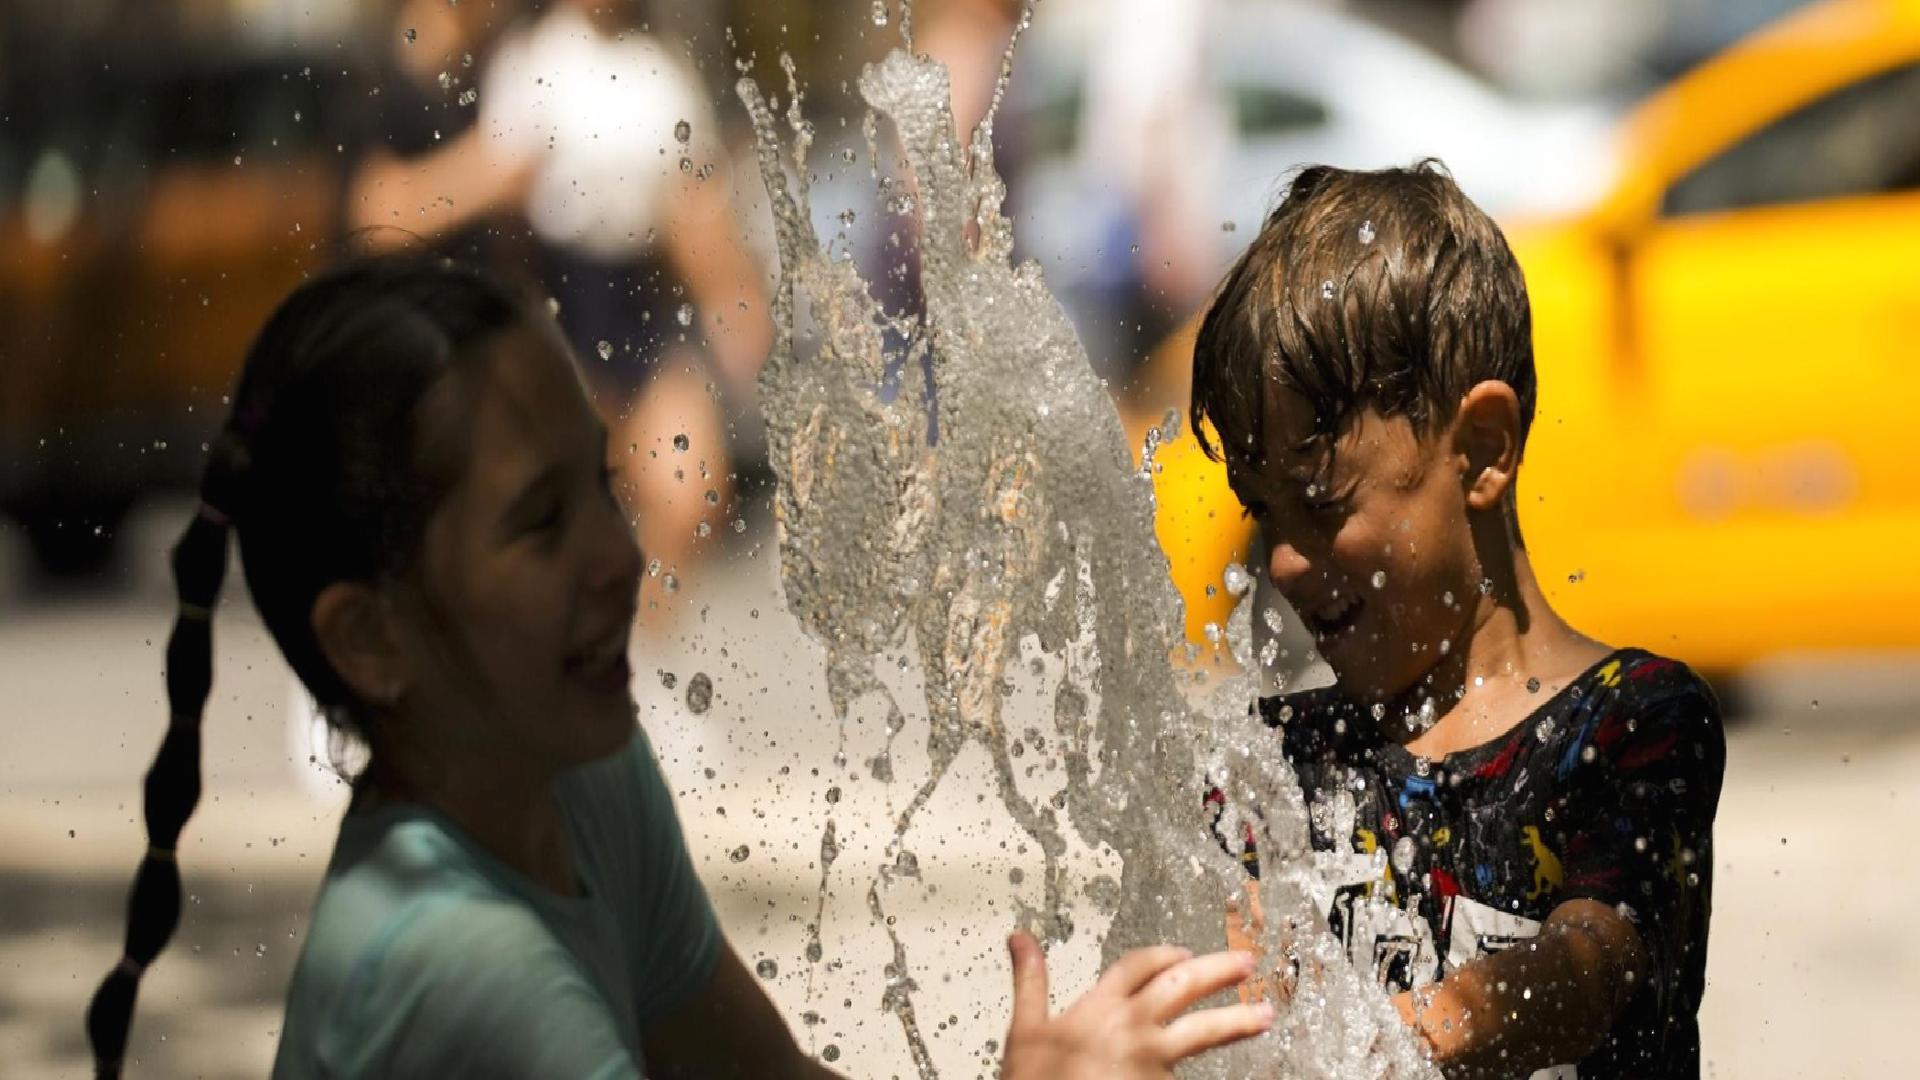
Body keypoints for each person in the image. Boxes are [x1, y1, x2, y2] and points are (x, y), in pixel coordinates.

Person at [83, 256, 1275, 1078]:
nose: (618, 552)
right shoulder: (463, 967)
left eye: (602, 488)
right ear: (371, 641)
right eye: (541, 522)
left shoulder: (578, 783)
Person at [1190, 162, 1725, 1077]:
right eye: (1264, 512)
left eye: (1319, 502)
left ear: (1481, 451)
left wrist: (1391, 1044)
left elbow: (1589, 971)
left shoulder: (1627, 728)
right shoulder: (1276, 767)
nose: (1279, 560)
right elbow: (1234, 1011)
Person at [482, 0, 773, 615]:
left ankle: (634, 653)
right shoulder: (531, 59)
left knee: (691, 492)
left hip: (638, 297)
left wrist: (734, 303)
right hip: (558, 294)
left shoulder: (661, 71)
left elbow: (694, 205)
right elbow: (503, 209)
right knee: (563, 511)